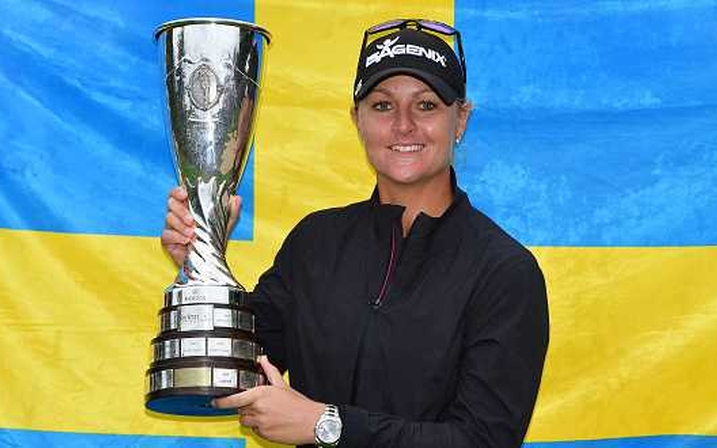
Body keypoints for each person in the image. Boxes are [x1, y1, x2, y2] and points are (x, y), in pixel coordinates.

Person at [161, 19, 549, 448]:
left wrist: (327, 424)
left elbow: (484, 439)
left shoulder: (505, 272)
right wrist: (202, 263)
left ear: (460, 119)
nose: (403, 125)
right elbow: (240, 371)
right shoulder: (315, 243)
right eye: (382, 105)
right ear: (357, 120)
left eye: (426, 105)